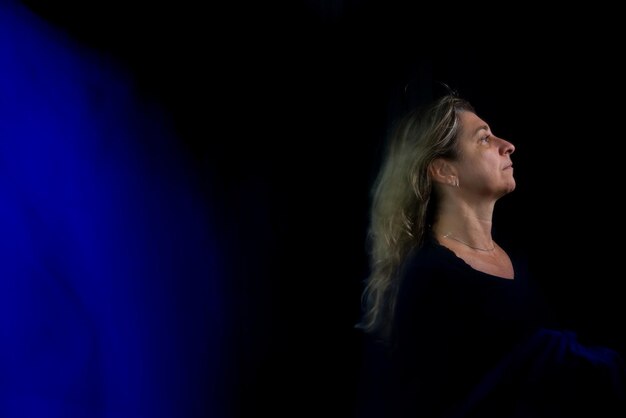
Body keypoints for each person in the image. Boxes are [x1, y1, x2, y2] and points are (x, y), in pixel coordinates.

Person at [354, 92, 626, 418]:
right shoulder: (430, 276)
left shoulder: (521, 259)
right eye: (483, 138)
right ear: (444, 170)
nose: (507, 144)